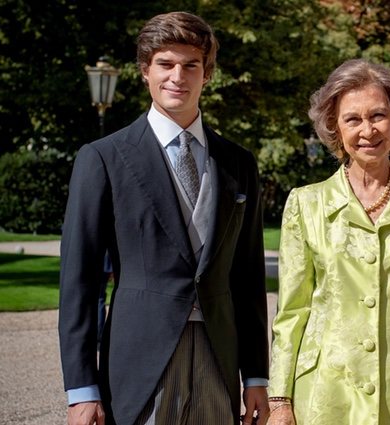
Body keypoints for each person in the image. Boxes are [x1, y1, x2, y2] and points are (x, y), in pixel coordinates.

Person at [58, 11, 269, 425]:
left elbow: (247, 277)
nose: (178, 76)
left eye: (191, 65)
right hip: (139, 362)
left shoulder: (239, 163)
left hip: (218, 358)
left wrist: (256, 375)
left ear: (207, 74)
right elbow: (80, 283)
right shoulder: (102, 158)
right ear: (145, 71)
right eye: (165, 64)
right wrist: (82, 390)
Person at [267, 59, 390, 425]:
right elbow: (292, 312)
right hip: (327, 394)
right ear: (335, 127)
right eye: (352, 119)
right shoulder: (305, 204)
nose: (368, 130)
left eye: (378, 116)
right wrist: (280, 401)